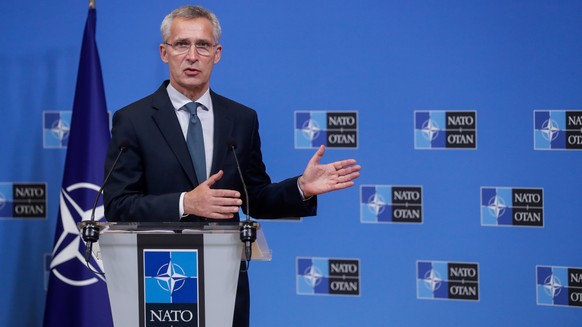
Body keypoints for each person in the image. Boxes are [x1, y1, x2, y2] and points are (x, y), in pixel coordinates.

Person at [103, 5, 361, 326]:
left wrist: (300, 188)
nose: (192, 56)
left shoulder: (241, 119)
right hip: (160, 274)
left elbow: (253, 195)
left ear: (218, 53)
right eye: (182, 44)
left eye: (203, 45)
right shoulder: (134, 120)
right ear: (164, 53)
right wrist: (186, 202)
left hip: (223, 276)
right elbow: (117, 205)